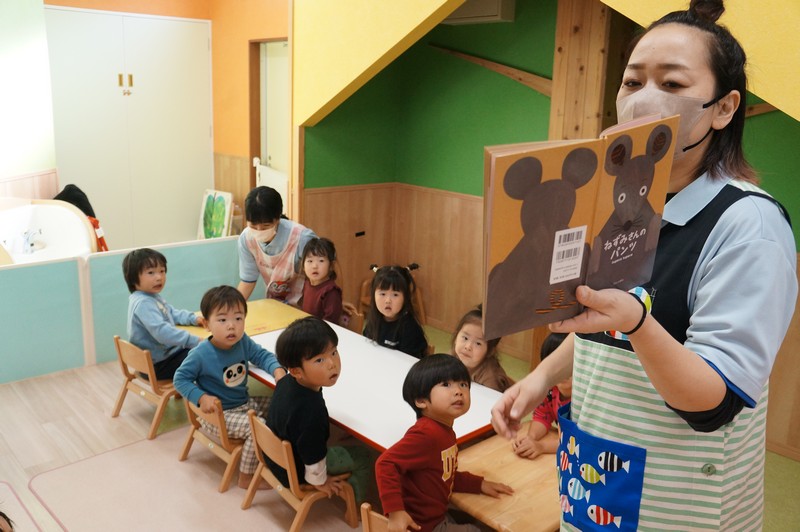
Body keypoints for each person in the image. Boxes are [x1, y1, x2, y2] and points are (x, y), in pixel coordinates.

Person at [491, 2, 797, 530]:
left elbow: (714, 401)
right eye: (632, 82)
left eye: (672, 83)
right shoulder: (622, 207)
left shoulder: (749, 225)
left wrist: (637, 322)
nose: (644, 99)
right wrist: (542, 376)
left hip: (681, 503)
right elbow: (602, 328)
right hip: (595, 479)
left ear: (724, 108)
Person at [376, 354, 513, 532]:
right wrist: (396, 512)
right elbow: (385, 463)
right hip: (423, 525)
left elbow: (444, 474)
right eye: (446, 385)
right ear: (421, 401)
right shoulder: (426, 434)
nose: (458, 391)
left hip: (435, 515)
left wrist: (478, 484)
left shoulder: (442, 430)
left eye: (463, 384)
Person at [174, 285, 287, 489]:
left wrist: (278, 371)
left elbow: (262, 356)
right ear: (207, 324)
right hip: (218, 415)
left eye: (238, 318)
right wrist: (201, 398)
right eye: (222, 320)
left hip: (243, 404)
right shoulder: (200, 354)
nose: (231, 326)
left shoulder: (242, 342)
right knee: (257, 427)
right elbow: (180, 379)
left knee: (280, 405)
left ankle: (279, 456)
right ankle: (246, 476)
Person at [265, 316, 372, 503]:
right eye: (319, 360)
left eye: (334, 352)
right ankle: (356, 506)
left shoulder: (285, 382)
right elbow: (313, 454)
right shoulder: (312, 413)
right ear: (296, 371)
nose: (332, 363)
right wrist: (320, 481)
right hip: (295, 470)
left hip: (273, 458)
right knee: (364, 456)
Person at [122, 248, 205, 380]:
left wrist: (194, 319)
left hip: (160, 359)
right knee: (207, 355)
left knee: (202, 351)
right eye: (151, 272)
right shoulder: (144, 303)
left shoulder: (149, 297)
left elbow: (171, 313)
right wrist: (196, 340)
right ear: (133, 277)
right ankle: (207, 390)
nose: (159, 277)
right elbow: (162, 333)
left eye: (162, 271)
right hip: (159, 366)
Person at [237, 186, 316, 305]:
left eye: (266, 226)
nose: (259, 231)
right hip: (277, 304)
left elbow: (328, 270)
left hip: (307, 302)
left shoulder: (302, 238)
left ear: (278, 219)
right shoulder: (246, 239)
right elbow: (248, 280)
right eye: (253, 226)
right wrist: (232, 308)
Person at [511, 333, 568, 459]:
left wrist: (542, 446)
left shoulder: (585, 399)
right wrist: (530, 438)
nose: (563, 371)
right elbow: (542, 416)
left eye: (570, 366)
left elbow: (577, 442)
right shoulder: (550, 390)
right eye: (555, 366)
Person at [363, 265, 428, 359]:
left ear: (405, 298)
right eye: (383, 294)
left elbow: (410, 362)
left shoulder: (410, 329)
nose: (388, 300)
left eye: (395, 295)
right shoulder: (374, 319)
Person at [451, 305, 513, 392]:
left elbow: (490, 399)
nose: (468, 347)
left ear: (490, 351)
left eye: (478, 343)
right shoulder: (451, 357)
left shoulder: (491, 378)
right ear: (456, 336)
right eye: (465, 338)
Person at [299, 237, 343, 323]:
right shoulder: (307, 283)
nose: (315, 266)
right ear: (303, 265)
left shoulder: (331, 292)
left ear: (331, 265)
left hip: (322, 331)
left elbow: (330, 323)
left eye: (321, 261)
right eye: (310, 261)